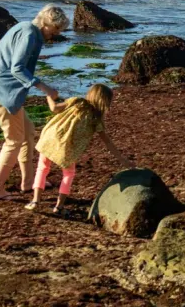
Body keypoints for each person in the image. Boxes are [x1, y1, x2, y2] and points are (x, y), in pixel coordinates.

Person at [0, 5, 68, 200]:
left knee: (28, 131)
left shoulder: (25, 28)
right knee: (14, 140)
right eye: (56, 29)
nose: (56, 34)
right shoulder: (29, 35)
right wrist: (45, 88)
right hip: (0, 91)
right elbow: (17, 68)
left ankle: (28, 181)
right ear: (46, 23)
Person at [27, 84, 133, 213]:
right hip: (68, 148)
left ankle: (35, 201)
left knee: (42, 169)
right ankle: (59, 207)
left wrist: (49, 96)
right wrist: (122, 159)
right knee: (68, 174)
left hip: (51, 138)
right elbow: (108, 143)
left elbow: (54, 108)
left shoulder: (76, 101)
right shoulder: (96, 118)